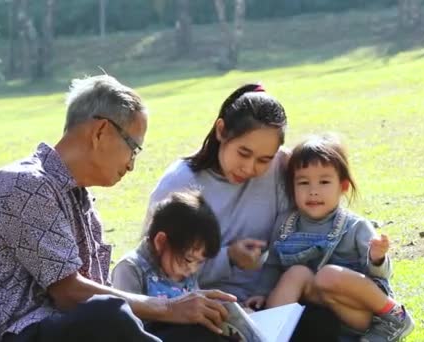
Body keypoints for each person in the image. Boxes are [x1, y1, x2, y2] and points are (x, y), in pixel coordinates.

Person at [0, 75, 235, 342]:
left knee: (200, 330)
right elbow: (70, 293)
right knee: (107, 314)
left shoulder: (81, 201)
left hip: (68, 332)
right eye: (133, 148)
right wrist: (169, 308)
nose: (131, 164)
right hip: (13, 334)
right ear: (101, 131)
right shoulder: (23, 184)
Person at [144, 83, 341, 341]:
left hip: (268, 305)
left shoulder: (282, 168)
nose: (250, 168)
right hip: (203, 310)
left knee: (322, 321)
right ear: (221, 131)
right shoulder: (178, 183)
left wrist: (269, 297)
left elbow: (302, 234)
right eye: (243, 153)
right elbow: (154, 272)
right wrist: (229, 258)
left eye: (263, 159)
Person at [252, 135, 414, 342]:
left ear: (343, 187)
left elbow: (381, 276)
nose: (313, 191)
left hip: (359, 313)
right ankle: (269, 333)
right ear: (292, 187)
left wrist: (377, 258)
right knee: (296, 273)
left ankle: (396, 317)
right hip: (320, 312)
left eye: (324, 182)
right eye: (303, 182)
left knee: (327, 275)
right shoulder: (285, 224)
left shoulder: (355, 226)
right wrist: (261, 291)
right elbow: (272, 265)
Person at [112, 190, 223, 334]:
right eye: (189, 260)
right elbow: (124, 322)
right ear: (161, 241)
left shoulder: (184, 270)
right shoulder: (130, 269)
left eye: (200, 262)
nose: (193, 269)